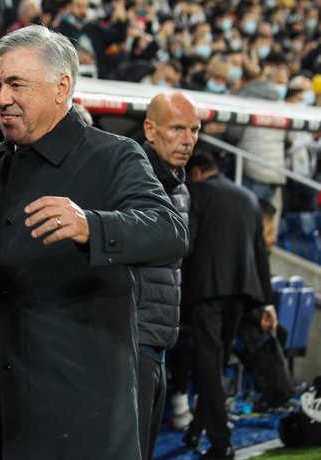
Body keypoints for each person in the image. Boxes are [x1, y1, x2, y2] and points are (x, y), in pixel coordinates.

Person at [0, 25, 189, 460]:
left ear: (61, 87)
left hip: (84, 417)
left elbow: (170, 231)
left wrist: (93, 225)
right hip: (0, 411)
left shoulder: (114, 155)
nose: (1, 97)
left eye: (16, 84)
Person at [182, 152, 275, 460]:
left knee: (208, 365)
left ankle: (222, 444)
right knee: (215, 363)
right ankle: (197, 429)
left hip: (206, 290)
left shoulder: (195, 192)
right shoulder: (248, 197)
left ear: (195, 171)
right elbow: (261, 253)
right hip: (242, 291)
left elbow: (187, 245)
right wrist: (267, 303)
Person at [137, 91, 201, 460]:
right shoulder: (126, 176)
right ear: (150, 129)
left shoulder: (181, 188)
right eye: (177, 128)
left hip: (161, 338)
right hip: (130, 337)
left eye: (194, 130)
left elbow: (172, 265)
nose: (188, 139)